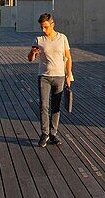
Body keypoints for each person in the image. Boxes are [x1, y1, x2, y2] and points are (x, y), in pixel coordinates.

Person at [27, 13, 74, 148]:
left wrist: (68, 76)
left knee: (56, 107)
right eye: (42, 27)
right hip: (44, 77)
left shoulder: (62, 38)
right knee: (43, 106)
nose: (43, 30)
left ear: (52, 24)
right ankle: (44, 133)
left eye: (45, 27)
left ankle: (53, 133)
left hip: (59, 76)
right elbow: (30, 59)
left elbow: (68, 57)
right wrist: (33, 53)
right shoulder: (38, 40)